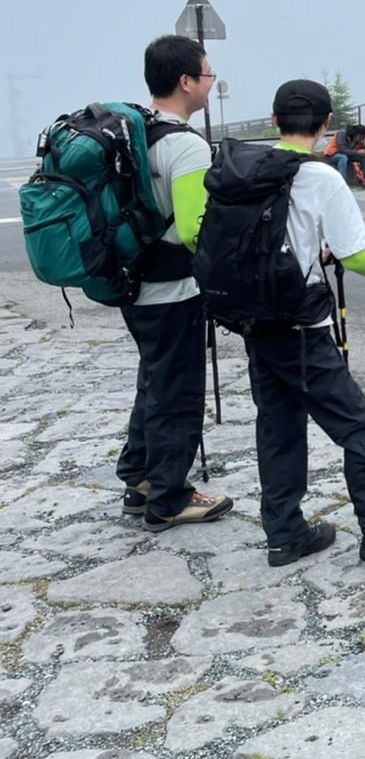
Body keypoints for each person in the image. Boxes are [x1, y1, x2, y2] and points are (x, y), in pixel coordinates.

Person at [240, 80, 365, 577]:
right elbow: (356, 256)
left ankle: (284, 534)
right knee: (358, 429)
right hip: (302, 327)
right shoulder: (320, 176)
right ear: (327, 124)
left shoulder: (248, 169)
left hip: (254, 321)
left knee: (278, 427)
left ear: (274, 118)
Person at [119, 36, 233, 532]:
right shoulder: (184, 143)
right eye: (207, 75)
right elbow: (192, 229)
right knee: (178, 392)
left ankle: (139, 476)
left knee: (154, 378)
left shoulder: (135, 132)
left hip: (132, 284)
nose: (211, 83)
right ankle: (169, 497)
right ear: (186, 81)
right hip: (173, 291)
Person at [325, 124, 365, 189]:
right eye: (361, 137)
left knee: (362, 158)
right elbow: (341, 149)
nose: (361, 139)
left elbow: (353, 151)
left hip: (346, 155)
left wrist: (363, 153)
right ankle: (341, 184)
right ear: (356, 134)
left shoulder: (358, 140)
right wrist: (357, 152)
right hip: (332, 155)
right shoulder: (342, 133)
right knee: (343, 157)